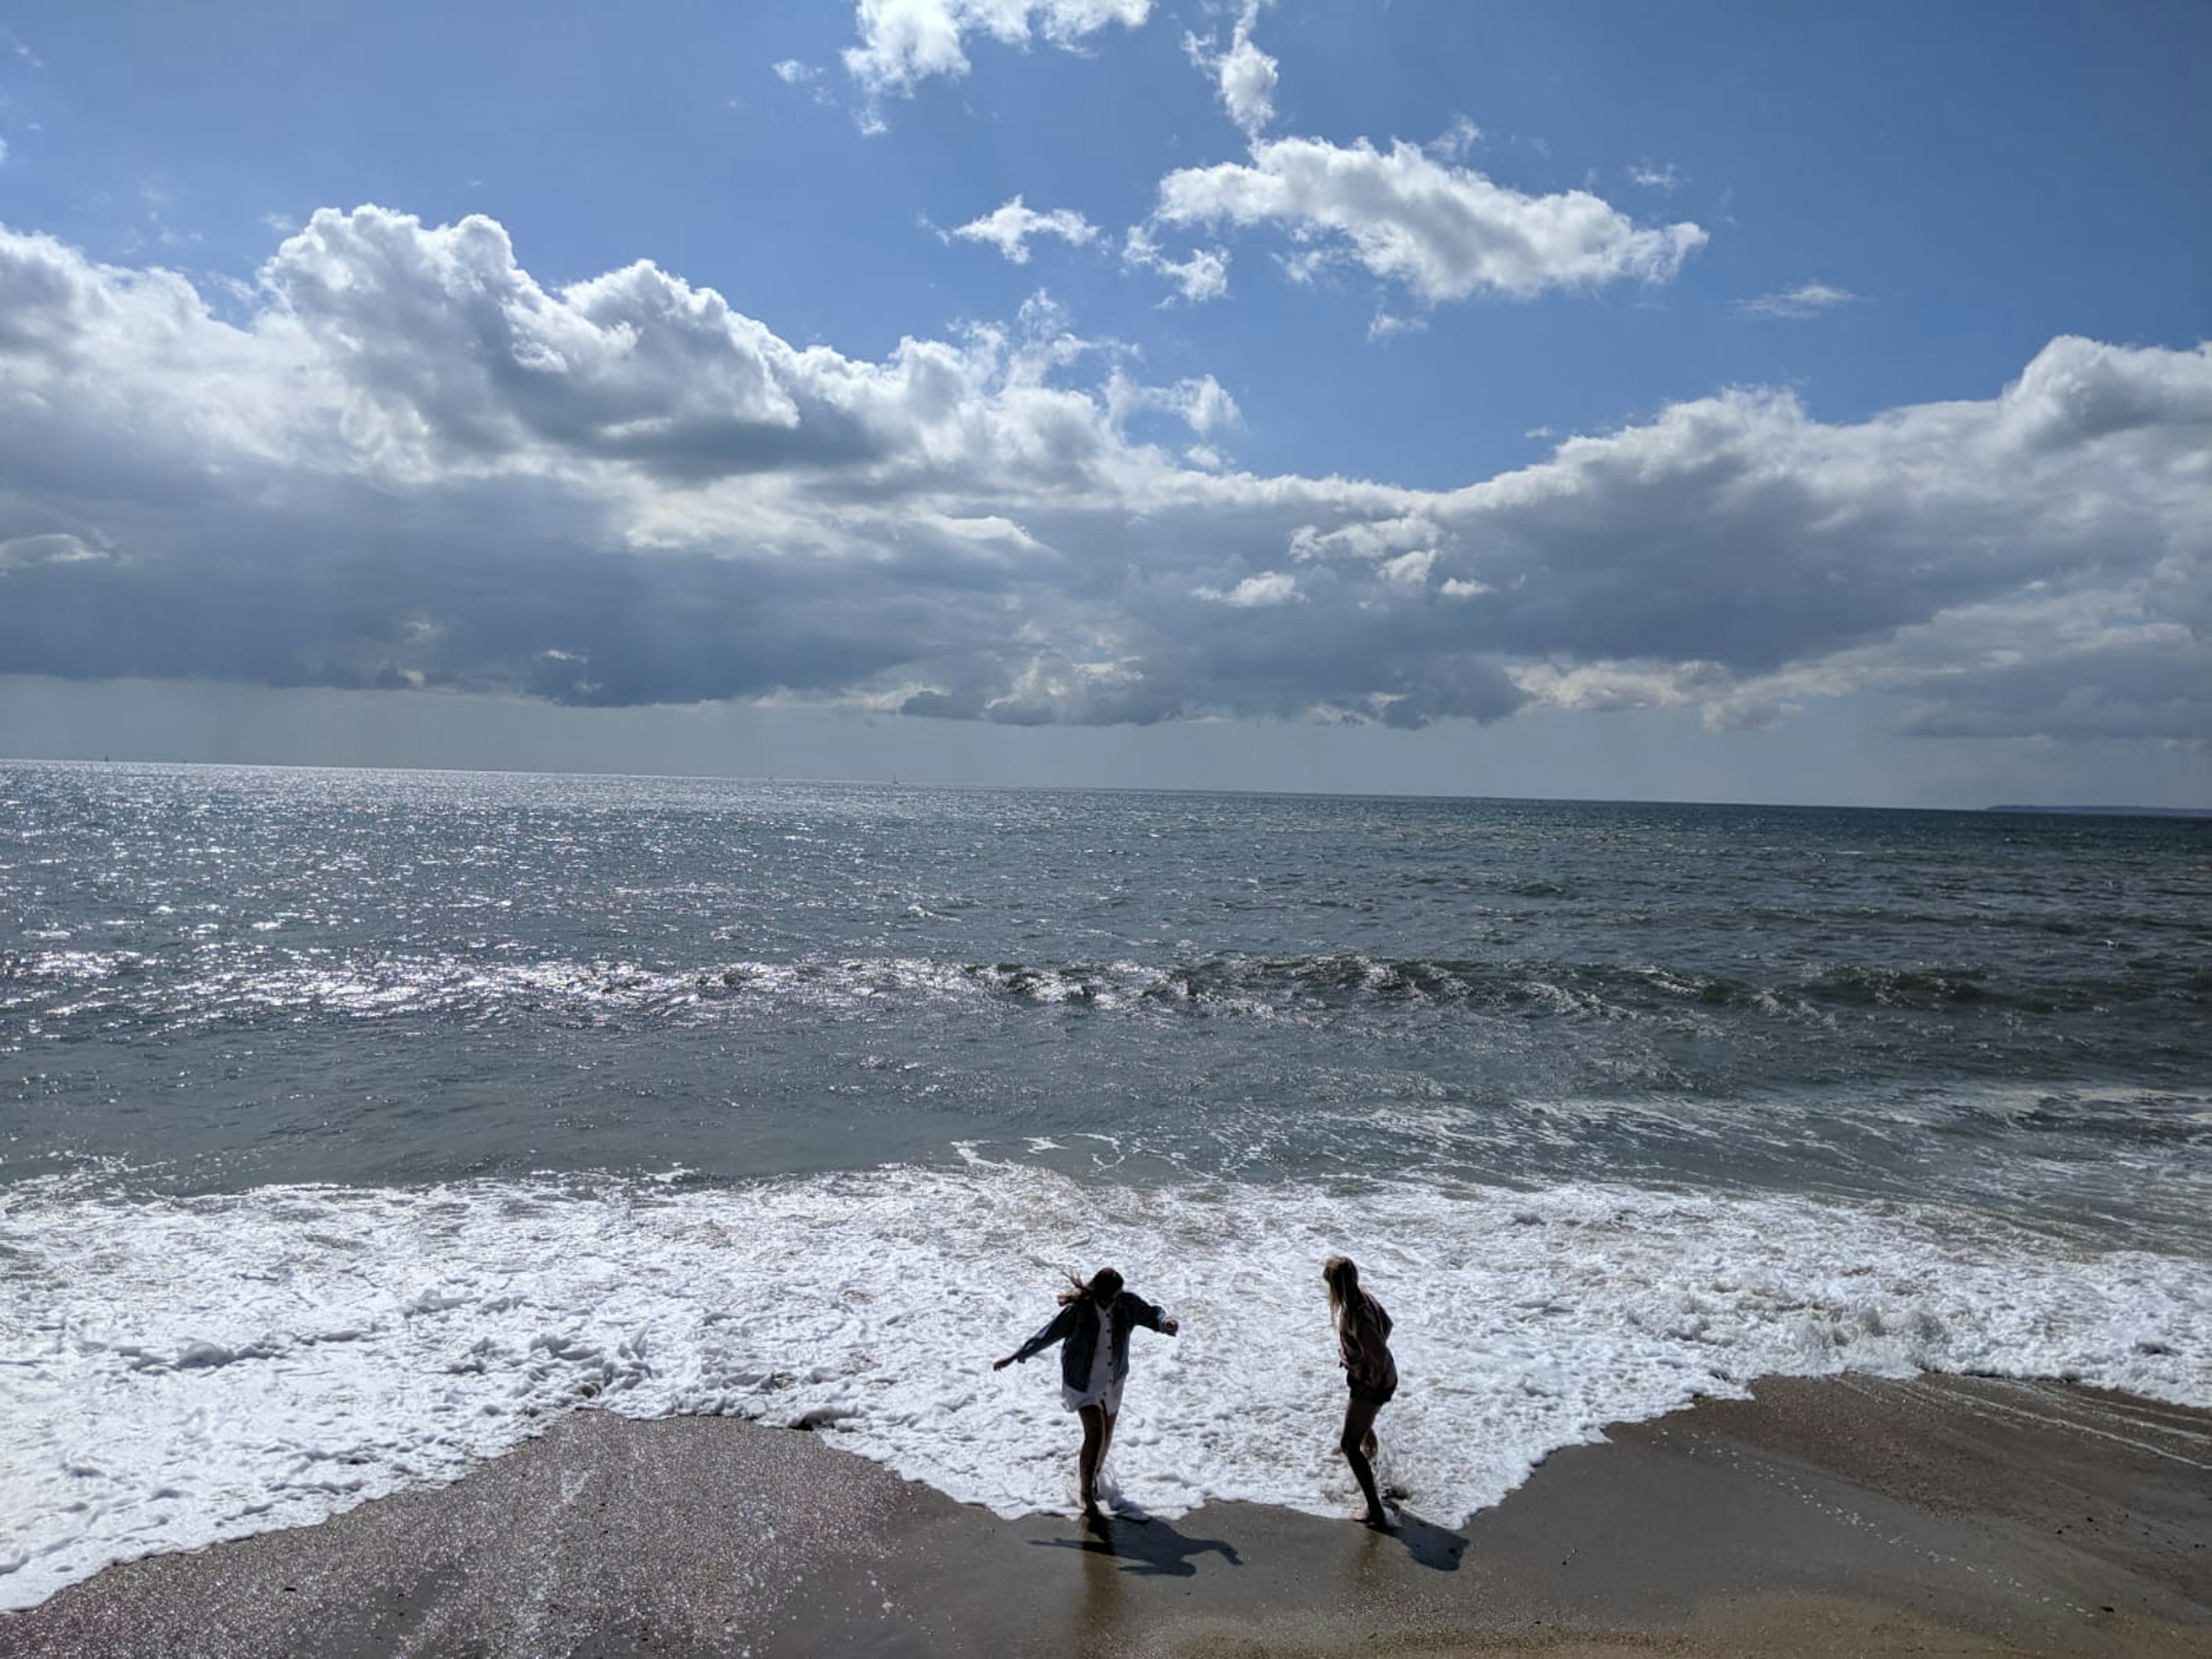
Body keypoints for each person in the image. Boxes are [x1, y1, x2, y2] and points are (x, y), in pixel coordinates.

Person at [993, 1266, 1179, 1518]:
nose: (1117, 1300)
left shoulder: (1126, 1303)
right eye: (1112, 1296)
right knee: (1095, 1434)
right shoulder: (1079, 1311)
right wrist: (1017, 1356)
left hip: (1114, 1379)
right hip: (1082, 1381)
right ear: (1100, 1294)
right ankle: (1085, 1494)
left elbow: (1151, 1313)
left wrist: (1164, 1322)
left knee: (1107, 1435)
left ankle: (1094, 1478)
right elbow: (1048, 1334)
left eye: (1119, 1294)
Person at [1324, 1254, 1399, 1529]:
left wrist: (1366, 1379)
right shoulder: (1365, 1297)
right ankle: (1378, 1478)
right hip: (1381, 1378)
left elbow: (1377, 1354)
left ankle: (1375, 1510)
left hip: (1372, 1383)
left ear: (1335, 1286)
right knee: (1364, 1429)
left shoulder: (1355, 1313)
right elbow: (1388, 1325)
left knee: (1348, 1445)